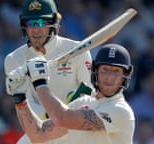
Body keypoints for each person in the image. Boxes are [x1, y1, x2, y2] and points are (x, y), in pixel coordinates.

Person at [7, 44, 135, 144]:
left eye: (116, 71)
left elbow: (62, 118)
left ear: (125, 76)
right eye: (105, 70)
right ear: (95, 71)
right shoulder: (82, 103)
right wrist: (20, 98)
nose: (109, 77)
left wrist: (40, 82)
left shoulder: (120, 111)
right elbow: (38, 135)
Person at [4, 0, 92, 143]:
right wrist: (53, 116)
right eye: (30, 23)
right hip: (40, 132)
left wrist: (72, 106)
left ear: (53, 23)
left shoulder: (77, 51)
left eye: (41, 23)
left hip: (75, 132)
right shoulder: (14, 59)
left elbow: (90, 93)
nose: (35, 29)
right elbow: (25, 106)